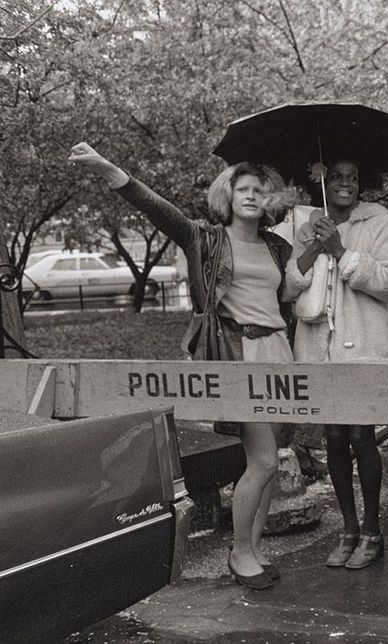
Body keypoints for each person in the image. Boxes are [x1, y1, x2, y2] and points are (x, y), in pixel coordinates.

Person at [68, 142, 294, 591]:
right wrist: (109, 168)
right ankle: (240, 552)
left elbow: (286, 297)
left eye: (259, 189)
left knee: (274, 457)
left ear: (270, 200)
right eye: (242, 188)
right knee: (264, 460)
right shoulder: (204, 239)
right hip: (235, 357)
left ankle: (254, 546)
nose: (250, 195)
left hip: (278, 353)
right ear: (227, 196)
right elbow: (157, 209)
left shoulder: (277, 247)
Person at [283, 158, 388, 570]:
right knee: (334, 438)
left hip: (364, 347)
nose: (345, 184)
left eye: (353, 177)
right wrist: (318, 245)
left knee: (361, 434)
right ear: (319, 180)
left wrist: (341, 251)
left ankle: (373, 530)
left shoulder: (379, 221)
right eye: (335, 177)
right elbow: (288, 286)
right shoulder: (307, 227)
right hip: (320, 349)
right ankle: (348, 528)